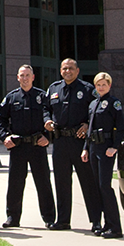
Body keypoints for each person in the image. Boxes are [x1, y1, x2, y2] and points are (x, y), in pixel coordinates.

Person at [0, 64, 55, 229]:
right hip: (18, 147)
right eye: (22, 75)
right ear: (17, 77)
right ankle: (12, 218)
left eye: (27, 75)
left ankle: (49, 218)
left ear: (33, 77)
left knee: (43, 183)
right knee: (15, 184)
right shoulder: (11, 98)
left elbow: (51, 118)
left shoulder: (42, 97)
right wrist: (5, 137)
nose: (25, 78)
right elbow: (0, 120)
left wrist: (48, 137)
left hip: (37, 146)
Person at [44, 58, 99, 232]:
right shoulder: (54, 89)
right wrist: (47, 120)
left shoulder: (87, 89)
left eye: (70, 68)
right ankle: (62, 220)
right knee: (61, 182)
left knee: (88, 182)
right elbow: (45, 109)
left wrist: (87, 124)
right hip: (60, 142)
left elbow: (97, 111)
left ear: (77, 70)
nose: (67, 71)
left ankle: (96, 221)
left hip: (79, 142)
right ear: (60, 71)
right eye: (64, 68)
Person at [83, 72, 124, 239]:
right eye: (98, 85)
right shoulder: (93, 104)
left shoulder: (114, 104)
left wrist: (114, 147)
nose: (101, 87)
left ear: (110, 85)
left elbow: (121, 128)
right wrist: (85, 148)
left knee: (105, 187)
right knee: (96, 188)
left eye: (104, 84)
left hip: (106, 149)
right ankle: (103, 224)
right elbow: (90, 128)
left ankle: (115, 227)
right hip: (93, 147)